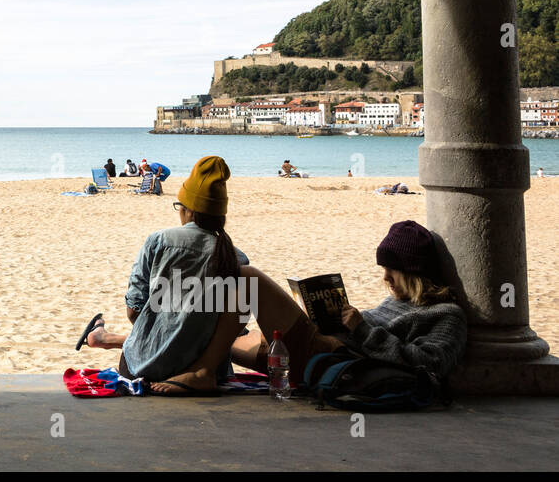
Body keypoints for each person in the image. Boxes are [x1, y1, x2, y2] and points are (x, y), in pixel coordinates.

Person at [226, 220, 467, 385]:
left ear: (414, 272)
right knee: (221, 344)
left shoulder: (446, 314)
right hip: (324, 346)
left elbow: (429, 364)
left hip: (336, 359)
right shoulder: (397, 300)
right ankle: (199, 365)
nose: (386, 278)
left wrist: (362, 330)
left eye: (393, 270)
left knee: (249, 277)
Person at [83, 156, 249, 394]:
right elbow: (235, 329)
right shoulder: (237, 258)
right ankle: (103, 338)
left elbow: (134, 310)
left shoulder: (159, 241)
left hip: (143, 366)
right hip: (209, 371)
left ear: (188, 211)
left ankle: (103, 338)